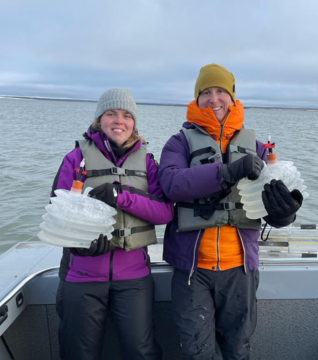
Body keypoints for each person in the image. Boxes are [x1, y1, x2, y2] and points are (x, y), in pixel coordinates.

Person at [158, 64, 303, 360]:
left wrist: (284, 213)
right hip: (192, 272)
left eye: (221, 91)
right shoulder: (178, 143)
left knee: (238, 350)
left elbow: (270, 207)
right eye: (206, 92)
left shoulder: (258, 148)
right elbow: (171, 183)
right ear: (196, 99)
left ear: (233, 98)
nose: (214, 99)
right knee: (197, 353)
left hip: (240, 270)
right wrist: (226, 171)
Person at [52, 88, 173, 360]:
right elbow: (56, 211)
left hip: (134, 278)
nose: (119, 121)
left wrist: (122, 196)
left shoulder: (148, 162)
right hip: (81, 275)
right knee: (78, 354)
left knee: (141, 352)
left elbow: (165, 212)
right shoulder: (75, 158)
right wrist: (77, 244)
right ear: (99, 119)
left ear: (134, 123)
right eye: (111, 114)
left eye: (126, 115)